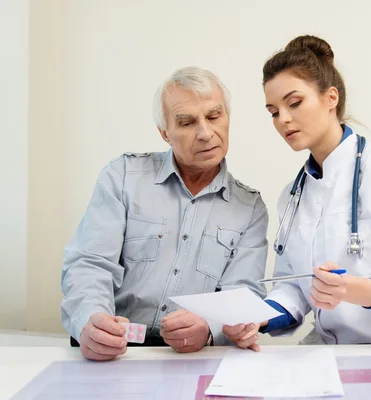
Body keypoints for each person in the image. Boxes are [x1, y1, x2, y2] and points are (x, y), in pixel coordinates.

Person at [223, 35, 371, 350]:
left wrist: (354, 290)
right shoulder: (293, 194)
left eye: (294, 102)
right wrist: (258, 317)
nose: (283, 119)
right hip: (331, 351)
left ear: (331, 98)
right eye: (273, 111)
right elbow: (294, 290)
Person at [61, 66, 269, 361]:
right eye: (186, 122)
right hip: (114, 353)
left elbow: (241, 293)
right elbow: (90, 264)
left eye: (214, 116)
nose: (205, 133)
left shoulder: (250, 208)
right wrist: (89, 319)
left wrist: (210, 327)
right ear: (165, 133)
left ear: (227, 118)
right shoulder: (123, 176)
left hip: (190, 357)